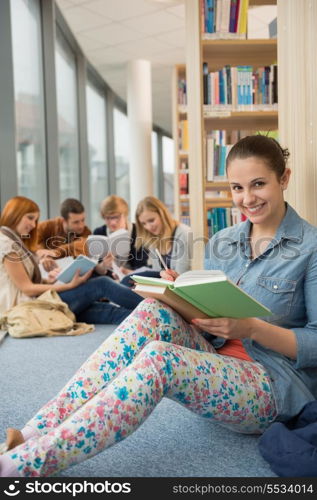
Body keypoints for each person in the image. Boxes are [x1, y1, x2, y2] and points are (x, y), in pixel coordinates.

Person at [2, 135, 317, 478]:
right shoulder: (225, 240)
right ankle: (32, 432)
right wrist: (177, 296)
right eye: (237, 187)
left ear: (283, 179)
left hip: (270, 382)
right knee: (153, 312)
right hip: (214, 357)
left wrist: (252, 328)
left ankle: (22, 466)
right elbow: (210, 319)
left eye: (258, 184)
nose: (247, 198)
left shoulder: (310, 247)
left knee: (159, 358)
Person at [0, 196, 142, 327]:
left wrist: (49, 281)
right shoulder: (8, 245)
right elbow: (27, 288)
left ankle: (150, 320)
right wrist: (69, 285)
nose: (33, 224)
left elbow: (22, 282)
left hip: (41, 297)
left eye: (35, 220)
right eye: (30, 218)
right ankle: (157, 309)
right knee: (103, 284)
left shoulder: (14, 241)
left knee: (104, 311)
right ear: (14, 214)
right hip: (31, 305)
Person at [121, 196, 192, 287]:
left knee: (117, 283)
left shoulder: (183, 233)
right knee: (127, 282)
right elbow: (157, 273)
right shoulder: (153, 238)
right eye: (144, 224)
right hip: (163, 288)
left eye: (151, 220)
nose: (148, 227)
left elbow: (181, 276)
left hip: (179, 290)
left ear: (162, 215)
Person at [93, 195, 149, 277]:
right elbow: (94, 269)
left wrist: (126, 273)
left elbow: (142, 266)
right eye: (107, 218)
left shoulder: (139, 232)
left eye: (116, 217)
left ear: (125, 214)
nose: (112, 222)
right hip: (107, 280)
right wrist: (103, 266)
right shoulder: (99, 233)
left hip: (133, 278)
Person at [36, 198, 91, 263]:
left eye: (83, 220)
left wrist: (54, 253)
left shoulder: (86, 232)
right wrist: (44, 256)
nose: (81, 225)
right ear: (64, 220)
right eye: (76, 222)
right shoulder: (45, 227)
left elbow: (78, 247)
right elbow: (34, 246)